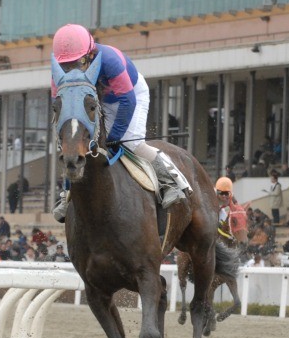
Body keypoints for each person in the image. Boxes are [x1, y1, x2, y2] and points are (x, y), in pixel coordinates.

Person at [49, 24, 189, 222]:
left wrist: (115, 137)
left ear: (90, 54)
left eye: (77, 62)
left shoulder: (109, 59)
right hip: (98, 101)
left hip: (130, 95)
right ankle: (67, 194)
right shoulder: (60, 72)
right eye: (66, 65)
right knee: (77, 144)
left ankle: (171, 182)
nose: (72, 69)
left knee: (130, 142)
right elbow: (58, 104)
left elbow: (128, 101)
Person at [214, 176, 248, 246]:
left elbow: (236, 206)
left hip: (221, 210)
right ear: (217, 191)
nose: (224, 196)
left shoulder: (231, 195)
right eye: (221, 193)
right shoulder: (213, 195)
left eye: (226, 193)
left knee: (225, 221)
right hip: (212, 210)